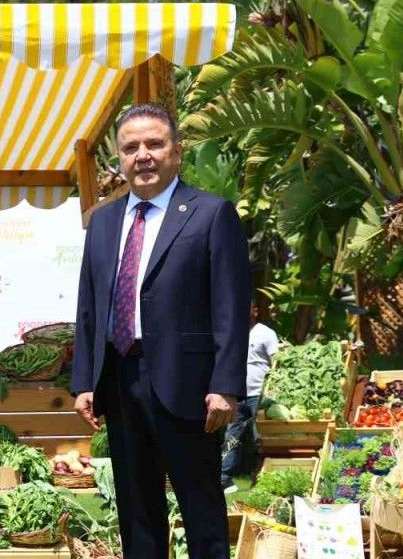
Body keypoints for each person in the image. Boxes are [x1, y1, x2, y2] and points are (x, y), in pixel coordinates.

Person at [70, 103, 250, 559]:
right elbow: (90, 306)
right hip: (120, 380)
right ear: (120, 158)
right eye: (131, 148)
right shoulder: (103, 221)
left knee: (201, 509)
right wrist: (84, 380)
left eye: (154, 144)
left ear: (177, 151)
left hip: (189, 386)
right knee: (137, 512)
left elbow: (230, 306)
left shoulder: (211, 214)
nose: (143, 155)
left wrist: (226, 385)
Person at [219, 308, 279, 492]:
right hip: (236, 394)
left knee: (256, 437)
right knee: (232, 436)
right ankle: (225, 478)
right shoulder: (232, 333)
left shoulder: (265, 333)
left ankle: (257, 477)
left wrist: (272, 391)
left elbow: (277, 362)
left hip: (258, 395)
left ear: (255, 311)